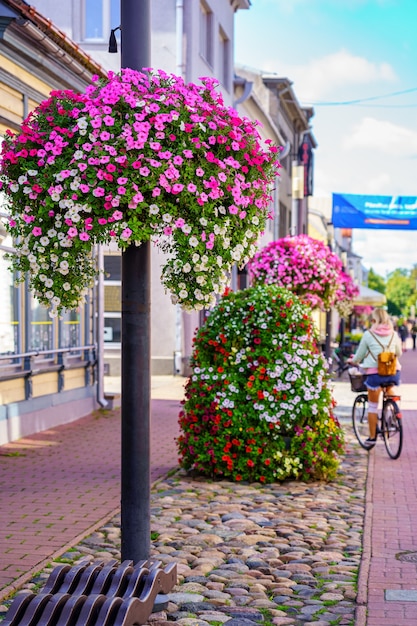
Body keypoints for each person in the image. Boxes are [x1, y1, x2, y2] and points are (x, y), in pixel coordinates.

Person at [347, 308, 402, 448]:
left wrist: (354, 361)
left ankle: (372, 438)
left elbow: (359, 356)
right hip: (393, 372)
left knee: (372, 406)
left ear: (373, 320)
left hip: (374, 375)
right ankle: (392, 413)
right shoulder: (394, 334)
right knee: (388, 393)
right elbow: (399, 353)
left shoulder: (368, 334)